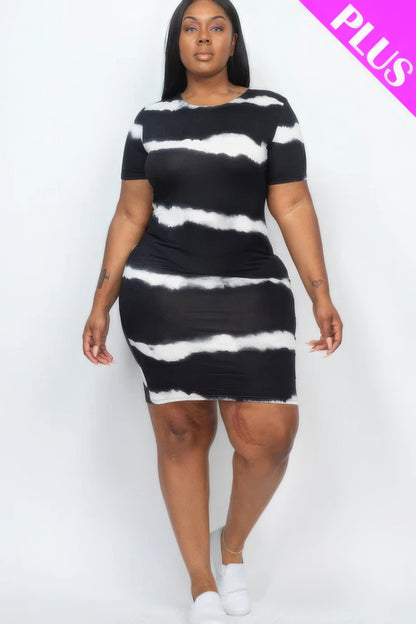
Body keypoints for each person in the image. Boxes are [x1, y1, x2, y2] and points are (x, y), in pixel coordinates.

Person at [82, 1, 343, 622]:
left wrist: (320, 292)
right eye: (190, 27)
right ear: (177, 43)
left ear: (233, 41)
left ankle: (231, 548)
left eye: (216, 27)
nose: (203, 37)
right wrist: (100, 303)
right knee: (182, 432)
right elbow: (130, 215)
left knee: (269, 438)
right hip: (161, 294)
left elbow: (294, 205)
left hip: (251, 290)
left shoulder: (270, 112)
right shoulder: (150, 121)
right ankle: (201, 583)